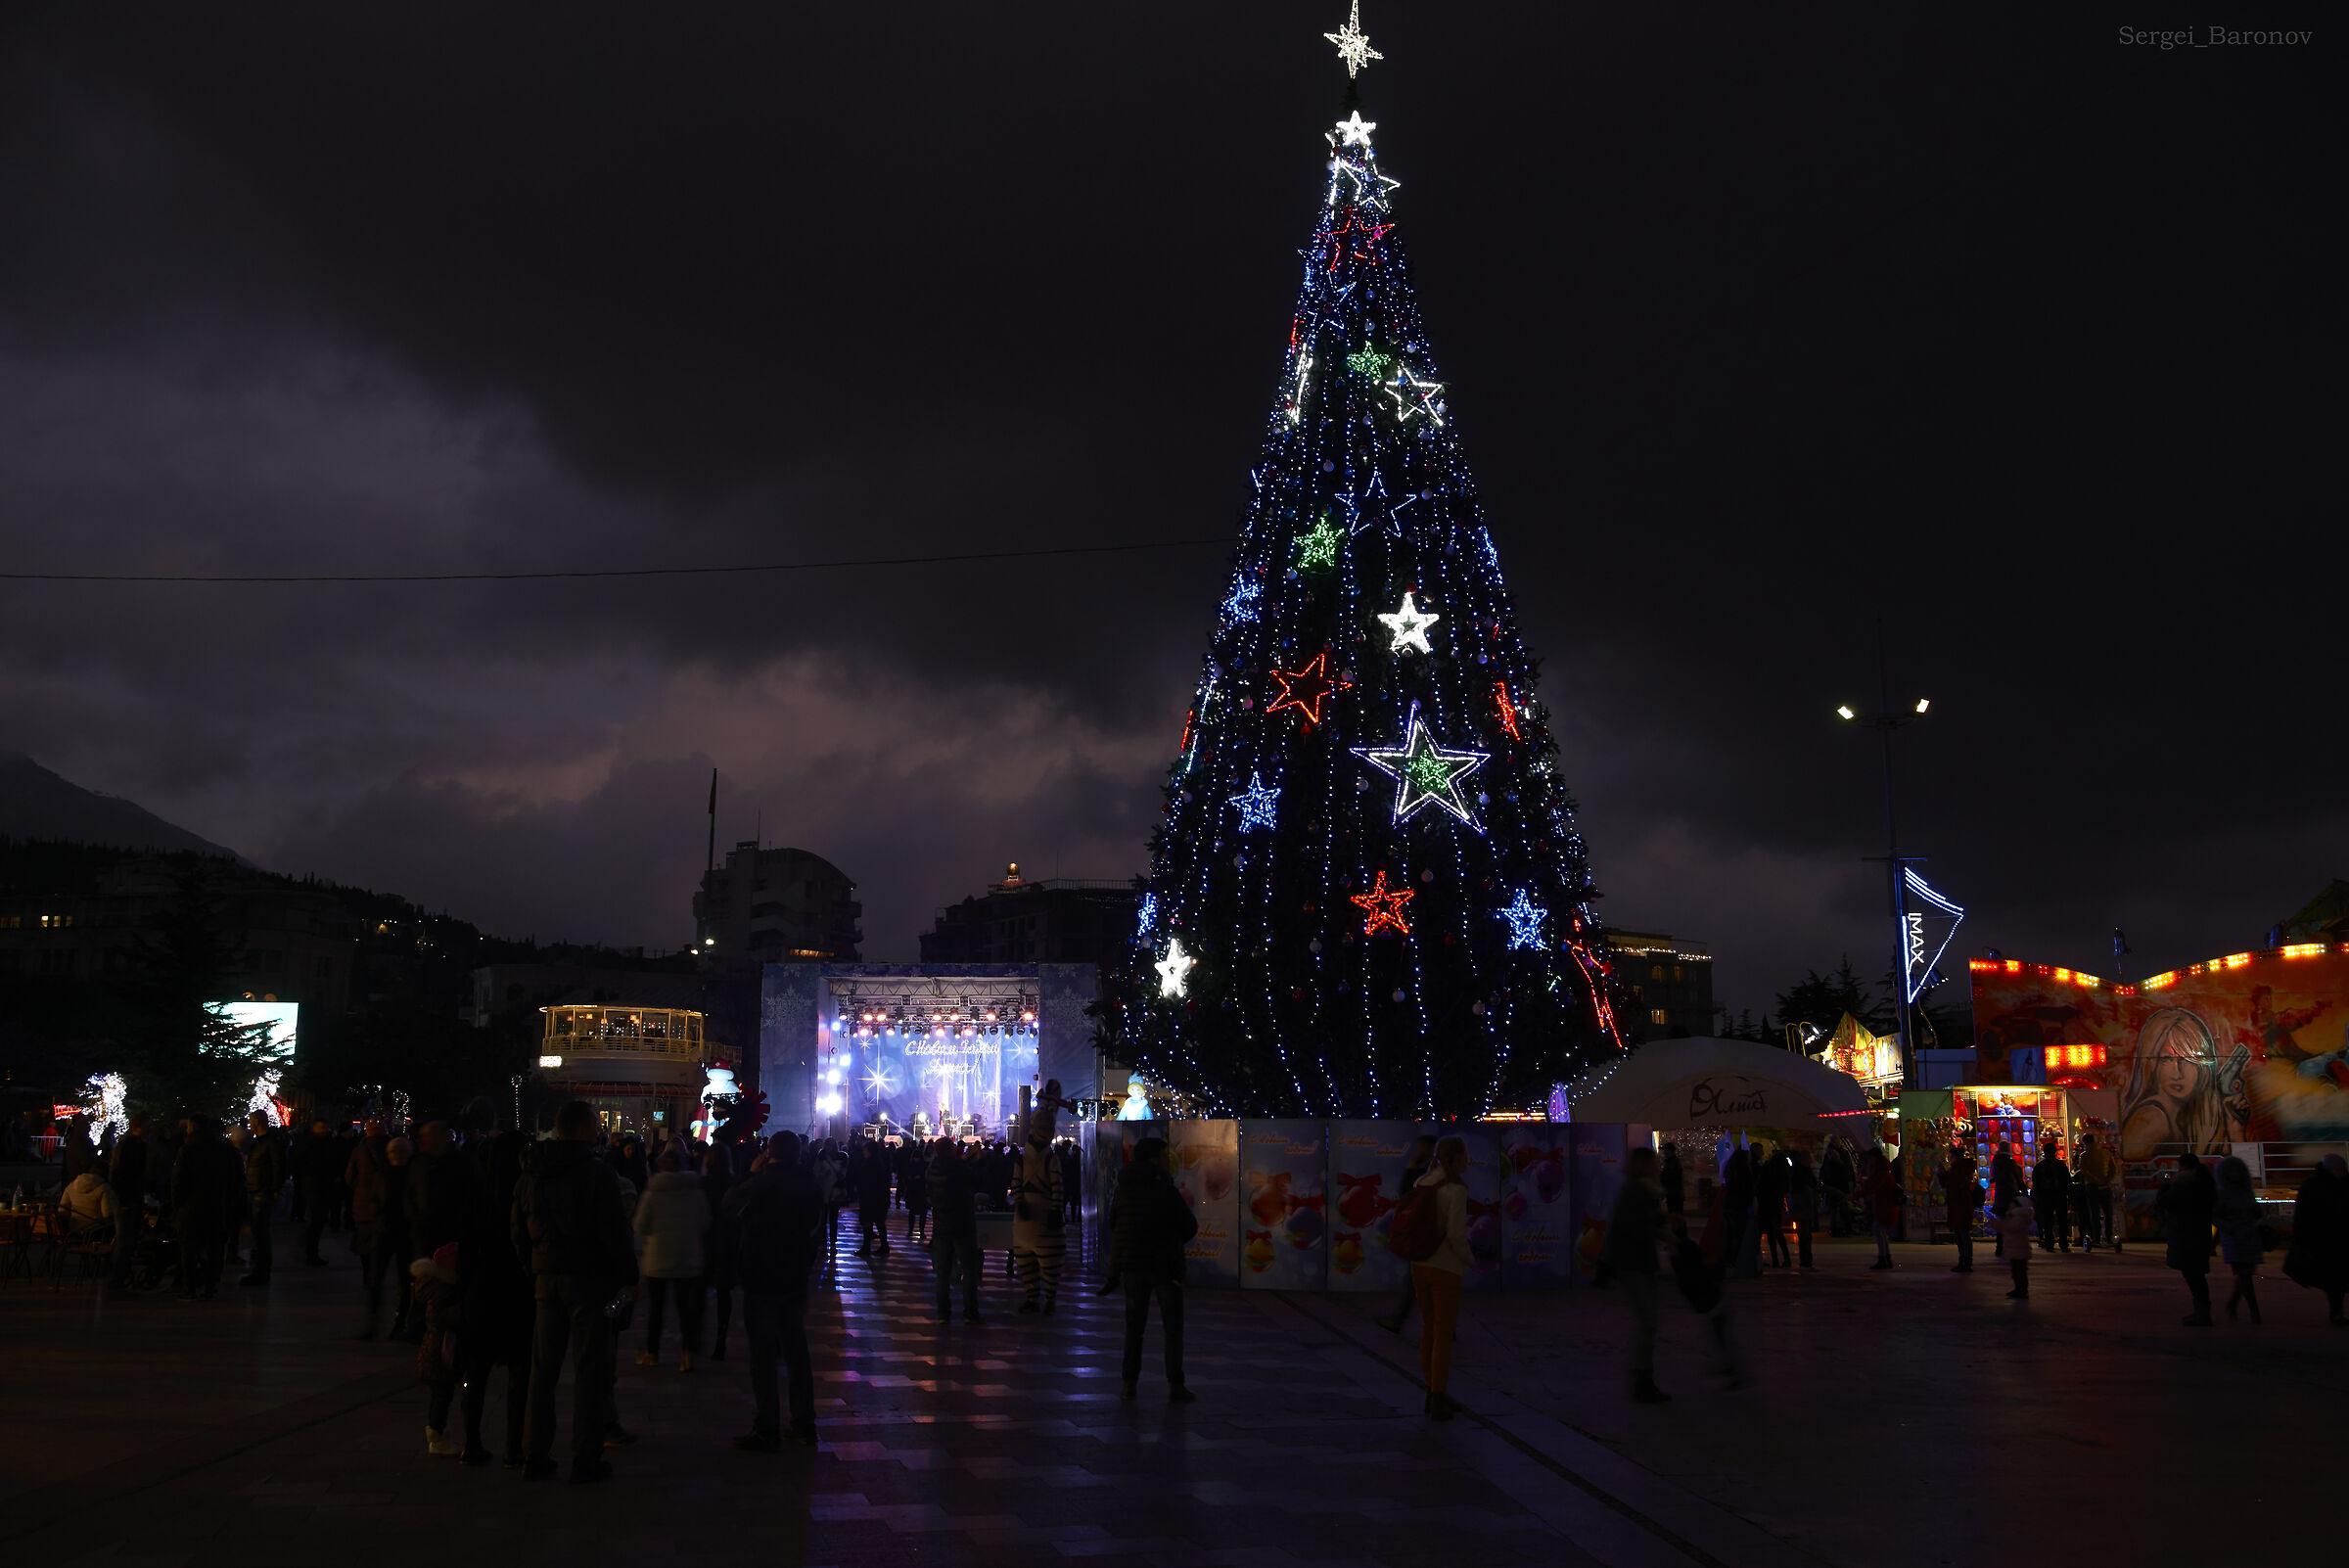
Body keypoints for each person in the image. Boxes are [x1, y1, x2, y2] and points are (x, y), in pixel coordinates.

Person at [513, 1100, 638, 1483]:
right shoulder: (596, 1174)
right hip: (591, 1282)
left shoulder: (531, 1173)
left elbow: (517, 1231)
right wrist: (627, 1279)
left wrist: (533, 1269)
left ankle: (535, 1454)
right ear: (584, 1129)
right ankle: (586, 1455)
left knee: (542, 1368)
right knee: (591, 1369)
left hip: (546, 1278)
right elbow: (615, 1232)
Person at [725, 1130, 824, 1451]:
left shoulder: (764, 1182)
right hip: (794, 1274)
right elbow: (815, 1229)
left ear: (769, 1153)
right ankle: (803, 1423)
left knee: (763, 1354)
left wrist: (753, 1172)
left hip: (762, 1274)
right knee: (796, 1350)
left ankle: (767, 1426)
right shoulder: (809, 1183)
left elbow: (729, 1203)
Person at [458, 1132, 534, 1467]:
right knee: (520, 1374)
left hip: (482, 1290)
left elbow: (464, 1250)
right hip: (518, 1291)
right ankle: (514, 1447)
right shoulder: (526, 1193)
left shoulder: (477, 1195)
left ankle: (471, 1443)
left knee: (476, 1373)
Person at [1110, 1135, 1199, 1405]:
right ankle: (1175, 1384)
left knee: (1134, 1327)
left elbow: (1115, 1223)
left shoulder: (1122, 1187)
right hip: (1165, 1266)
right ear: (1153, 1159)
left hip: (1133, 1266)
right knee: (1172, 1328)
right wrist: (1171, 1241)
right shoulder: (1165, 1188)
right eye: (1163, 1156)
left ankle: (1128, 1384)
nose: (1166, 1161)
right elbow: (1189, 1225)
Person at [634, 1145, 712, 1370]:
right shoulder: (695, 1192)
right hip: (687, 1257)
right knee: (685, 1310)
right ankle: (687, 1354)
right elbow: (705, 1222)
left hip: (658, 1259)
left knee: (656, 1311)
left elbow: (640, 1225)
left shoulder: (652, 1193)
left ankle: (652, 1352)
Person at [1607, 1148, 1669, 1403]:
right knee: (1648, 1322)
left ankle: (1643, 1378)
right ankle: (1642, 1379)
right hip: (1634, 1264)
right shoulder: (1638, 1191)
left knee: (1649, 1322)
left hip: (1637, 1263)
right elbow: (1639, 1227)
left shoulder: (1639, 1190)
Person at [1374, 1135, 1437, 1333]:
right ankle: (1443, 1326)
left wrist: (1411, 1170)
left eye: (1423, 1147)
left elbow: (1408, 1192)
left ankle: (1400, 1320)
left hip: (1428, 1230)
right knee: (1422, 1281)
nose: (1419, 1150)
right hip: (1426, 1230)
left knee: (1418, 1280)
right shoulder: (1427, 1168)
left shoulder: (1430, 1170)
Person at [2282, 1153, 2348, 1324]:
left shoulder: (2314, 1186)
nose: (2340, 1172)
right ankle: (2336, 1312)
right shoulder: (2316, 1187)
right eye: (2337, 1169)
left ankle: (2337, 1311)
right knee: (2336, 1280)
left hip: (2332, 1239)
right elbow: (2303, 1216)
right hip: (2327, 1240)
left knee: (2336, 1280)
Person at [1010, 1116, 1067, 1315]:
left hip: (1028, 1220)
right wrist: (1055, 1209)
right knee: (1044, 1264)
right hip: (1039, 1217)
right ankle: (1042, 1298)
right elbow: (1057, 1186)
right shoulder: (1048, 1159)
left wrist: (1020, 1201)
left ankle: (1037, 1298)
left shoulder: (1025, 1160)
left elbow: (1016, 1184)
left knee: (1029, 1263)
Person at [2158, 1150, 2219, 1327]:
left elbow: (2164, 1201)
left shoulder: (2183, 1184)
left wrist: (2164, 1185)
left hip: (2185, 1234)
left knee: (2193, 1275)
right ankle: (2202, 1311)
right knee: (2197, 1274)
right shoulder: (2205, 1185)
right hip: (2201, 1234)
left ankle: (2202, 1314)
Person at [170, 1115, 228, 1300]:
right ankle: (210, 1286)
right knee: (212, 1247)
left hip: (191, 1205)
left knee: (189, 1247)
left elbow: (179, 1181)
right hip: (214, 1204)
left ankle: (189, 1287)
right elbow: (231, 1178)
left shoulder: (187, 1150)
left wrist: (177, 1204)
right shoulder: (220, 1149)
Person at [927, 1137, 983, 1323]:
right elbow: (976, 1180)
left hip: (941, 1225)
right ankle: (970, 1313)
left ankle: (943, 1314)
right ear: (950, 1150)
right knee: (968, 1270)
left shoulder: (933, 1169)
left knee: (942, 1274)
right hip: (962, 1224)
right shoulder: (959, 1168)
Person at [239, 1109, 288, 1286]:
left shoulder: (269, 1142)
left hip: (262, 1191)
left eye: (252, 1121)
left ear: (258, 1122)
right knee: (258, 1234)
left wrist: (273, 1188)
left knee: (261, 1234)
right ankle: (259, 1270)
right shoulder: (258, 1142)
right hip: (256, 1190)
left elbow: (278, 1166)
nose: (250, 1125)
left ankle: (261, 1272)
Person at [701, 1140, 740, 1360]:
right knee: (724, 1292)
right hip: (727, 1241)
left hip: (706, 1239)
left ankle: (695, 1337)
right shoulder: (733, 1182)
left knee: (699, 1289)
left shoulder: (702, 1183)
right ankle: (720, 1338)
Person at [2213, 1154, 2263, 1323]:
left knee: (2245, 1273)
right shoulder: (2227, 1193)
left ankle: (2233, 1304)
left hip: (2246, 1234)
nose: (2235, 1174)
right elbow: (2216, 1216)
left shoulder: (2240, 1191)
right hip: (2236, 1236)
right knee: (2245, 1274)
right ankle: (2254, 1311)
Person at [106, 1114, 152, 1290]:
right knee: (125, 1239)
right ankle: (117, 1278)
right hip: (127, 1198)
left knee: (127, 1239)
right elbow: (121, 1174)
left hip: (130, 1197)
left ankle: (120, 1276)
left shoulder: (134, 1145)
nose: (150, 1130)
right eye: (147, 1126)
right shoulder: (130, 1147)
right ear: (138, 1127)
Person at [296, 1119, 340, 1265]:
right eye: (321, 1127)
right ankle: (310, 1251)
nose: (324, 1130)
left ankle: (310, 1250)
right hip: (315, 1184)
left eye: (325, 1127)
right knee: (316, 1219)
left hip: (319, 1184)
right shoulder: (313, 1144)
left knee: (317, 1220)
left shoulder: (325, 1143)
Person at [1942, 1142, 1980, 1273]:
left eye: (1950, 1157)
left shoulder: (1960, 1169)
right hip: (1958, 1204)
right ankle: (1963, 1260)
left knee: (1962, 1234)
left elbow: (1957, 1184)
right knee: (1960, 1234)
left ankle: (1966, 1261)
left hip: (1961, 1204)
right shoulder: (1959, 1168)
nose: (1949, 1159)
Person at [2074, 1133, 2116, 1252]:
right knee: (2108, 1213)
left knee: (2095, 1213)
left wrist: (2094, 1181)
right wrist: (2107, 1180)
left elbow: (2084, 1171)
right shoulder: (2105, 1153)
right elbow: (2113, 1169)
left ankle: (2096, 1237)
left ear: (2084, 1143)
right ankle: (2109, 1237)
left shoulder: (2084, 1156)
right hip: (2106, 1187)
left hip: (2092, 1187)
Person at [1988, 1192, 2035, 1298]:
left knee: (2019, 1271)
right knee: (2017, 1271)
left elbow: (2009, 1227)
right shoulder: (2017, 1217)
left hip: (2018, 1250)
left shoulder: (2018, 1218)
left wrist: (1996, 1223)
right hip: (2017, 1249)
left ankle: (2021, 1290)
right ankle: (2020, 1289)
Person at [1859, 1150, 1900, 1270]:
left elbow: (1873, 1188)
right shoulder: (1883, 1171)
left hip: (1884, 1205)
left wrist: (1857, 1194)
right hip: (1883, 1205)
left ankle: (1884, 1258)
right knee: (1881, 1232)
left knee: (1880, 1231)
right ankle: (1885, 1258)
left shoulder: (1881, 1173)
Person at [1723, 1147, 1760, 1278]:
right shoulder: (1745, 1171)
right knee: (1739, 1234)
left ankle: (1728, 1260)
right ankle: (1737, 1259)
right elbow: (1747, 1190)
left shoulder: (1730, 1170)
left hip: (1729, 1204)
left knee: (1730, 1234)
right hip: (1739, 1206)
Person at [2031, 1142, 2072, 1254]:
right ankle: (2063, 1243)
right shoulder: (2061, 1165)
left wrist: (2038, 1197)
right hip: (2060, 1195)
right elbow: (2067, 1181)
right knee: (2062, 1220)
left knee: (2048, 1220)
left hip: (2046, 1196)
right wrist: (2069, 1195)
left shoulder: (2039, 1166)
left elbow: (2035, 1183)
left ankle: (2049, 1243)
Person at [1754, 1143, 1790, 1269]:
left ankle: (1773, 1259)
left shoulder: (1766, 1169)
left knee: (1768, 1232)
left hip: (1765, 1204)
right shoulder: (1782, 1173)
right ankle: (1786, 1258)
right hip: (1776, 1204)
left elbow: (1759, 1186)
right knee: (1777, 1232)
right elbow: (1785, 1188)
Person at [855, 1139, 894, 1255]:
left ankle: (867, 1247)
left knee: (868, 1221)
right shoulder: (879, 1163)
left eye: (865, 1150)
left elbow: (866, 1181)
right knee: (879, 1222)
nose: (863, 1152)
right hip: (879, 1197)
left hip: (870, 1197)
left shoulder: (869, 1164)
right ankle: (883, 1246)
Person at [1989, 1142, 2026, 1257]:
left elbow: (1995, 1177)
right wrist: (2024, 1193)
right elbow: (2018, 1180)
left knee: (2001, 1221)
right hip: (2011, 1195)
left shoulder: (1996, 1162)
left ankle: (2000, 1247)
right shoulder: (2011, 1164)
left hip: (2000, 1195)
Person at [1820, 1139, 1856, 1236]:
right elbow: (1848, 1169)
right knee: (1839, 1208)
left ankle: (1838, 1228)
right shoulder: (1837, 1154)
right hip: (1838, 1184)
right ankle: (1840, 1228)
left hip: (1837, 1184)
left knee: (1838, 1208)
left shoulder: (1834, 1154)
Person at [899, 1140, 931, 1247]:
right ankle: (911, 1230)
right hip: (914, 1191)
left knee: (921, 1213)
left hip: (919, 1191)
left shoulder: (921, 1166)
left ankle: (920, 1231)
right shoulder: (914, 1165)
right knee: (913, 1213)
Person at [1659, 1146, 1684, 1218]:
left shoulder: (1672, 1163)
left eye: (1665, 1150)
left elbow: (1671, 1177)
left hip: (1673, 1194)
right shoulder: (1673, 1162)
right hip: (1674, 1193)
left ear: (1669, 1151)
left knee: (1675, 1215)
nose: (1663, 1152)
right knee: (1676, 1215)